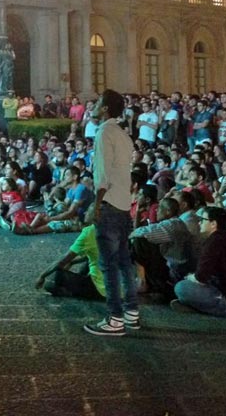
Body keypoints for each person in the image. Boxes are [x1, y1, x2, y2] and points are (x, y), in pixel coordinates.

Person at [82, 89, 140, 336]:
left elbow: (102, 175)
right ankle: (131, 312)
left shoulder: (104, 131)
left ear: (105, 108)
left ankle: (115, 318)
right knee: (125, 262)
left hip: (109, 204)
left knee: (108, 264)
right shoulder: (123, 134)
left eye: (98, 103)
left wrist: (95, 206)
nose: (93, 107)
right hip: (124, 203)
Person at [171, 205, 226, 317]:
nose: (199, 223)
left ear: (213, 224)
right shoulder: (225, 237)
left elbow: (201, 277)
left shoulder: (216, 240)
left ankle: (221, 310)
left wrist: (191, 277)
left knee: (181, 287)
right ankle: (197, 305)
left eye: (202, 220)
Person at [35, 223, 105, 301]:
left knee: (54, 276)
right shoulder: (112, 228)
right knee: (89, 262)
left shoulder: (90, 232)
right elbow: (94, 254)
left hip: (100, 290)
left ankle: (75, 293)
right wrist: (72, 262)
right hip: (114, 287)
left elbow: (62, 261)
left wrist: (42, 276)